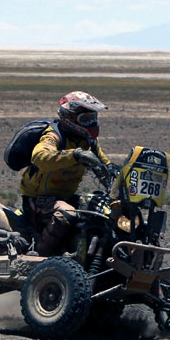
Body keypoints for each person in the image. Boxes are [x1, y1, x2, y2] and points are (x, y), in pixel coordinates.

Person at [20, 91, 117, 255]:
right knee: (67, 214)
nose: (91, 123)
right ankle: (38, 255)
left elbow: (105, 164)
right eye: (86, 119)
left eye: (93, 118)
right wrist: (74, 155)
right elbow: (40, 156)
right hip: (37, 200)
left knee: (102, 209)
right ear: (70, 117)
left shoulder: (89, 141)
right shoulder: (53, 135)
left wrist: (116, 173)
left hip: (66, 197)